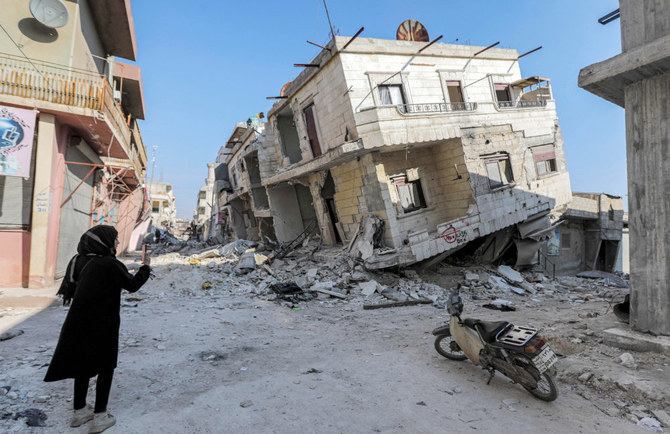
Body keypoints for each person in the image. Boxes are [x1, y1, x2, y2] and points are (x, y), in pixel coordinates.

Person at [44, 225, 152, 433]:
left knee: (81, 365)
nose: (117, 243)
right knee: (106, 366)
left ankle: (80, 411)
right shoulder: (109, 264)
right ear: (104, 242)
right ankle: (100, 417)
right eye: (115, 240)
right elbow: (132, 285)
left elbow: (72, 289)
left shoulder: (77, 260)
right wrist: (145, 268)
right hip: (103, 323)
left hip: (76, 322)